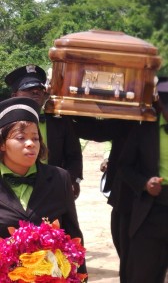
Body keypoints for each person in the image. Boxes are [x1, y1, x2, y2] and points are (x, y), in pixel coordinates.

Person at [0, 96, 87, 279]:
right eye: (20, 137)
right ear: (2, 144)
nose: (31, 143)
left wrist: (80, 277)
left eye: (35, 137)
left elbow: (73, 237)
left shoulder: (59, 178)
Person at [115, 76, 168, 283]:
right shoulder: (144, 130)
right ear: (160, 103)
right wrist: (144, 184)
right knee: (143, 274)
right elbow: (123, 167)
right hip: (151, 210)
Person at [5, 64, 83, 199]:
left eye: (40, 89)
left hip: (53, 188)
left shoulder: (60, 121)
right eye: (29, 89)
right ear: (14, 95)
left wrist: (72, 180)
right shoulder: (4, 123)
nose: (36, 92)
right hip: (11, 189)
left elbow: (74, 154)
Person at [73, 115, 136, 282]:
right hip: (127, 194)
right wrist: (66, 116)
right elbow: (99, 130)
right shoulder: (131, 118)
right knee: (126, 249)